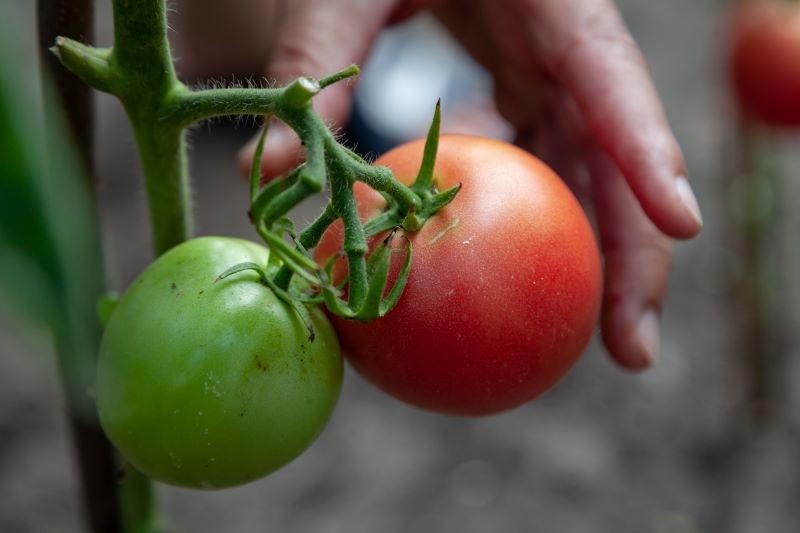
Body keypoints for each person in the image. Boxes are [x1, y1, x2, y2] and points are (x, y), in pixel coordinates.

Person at [175, 0, 703, 371]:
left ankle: (235, 42)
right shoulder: (352, 248)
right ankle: (234, 43)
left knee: (239, 42)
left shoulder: (348, 253)